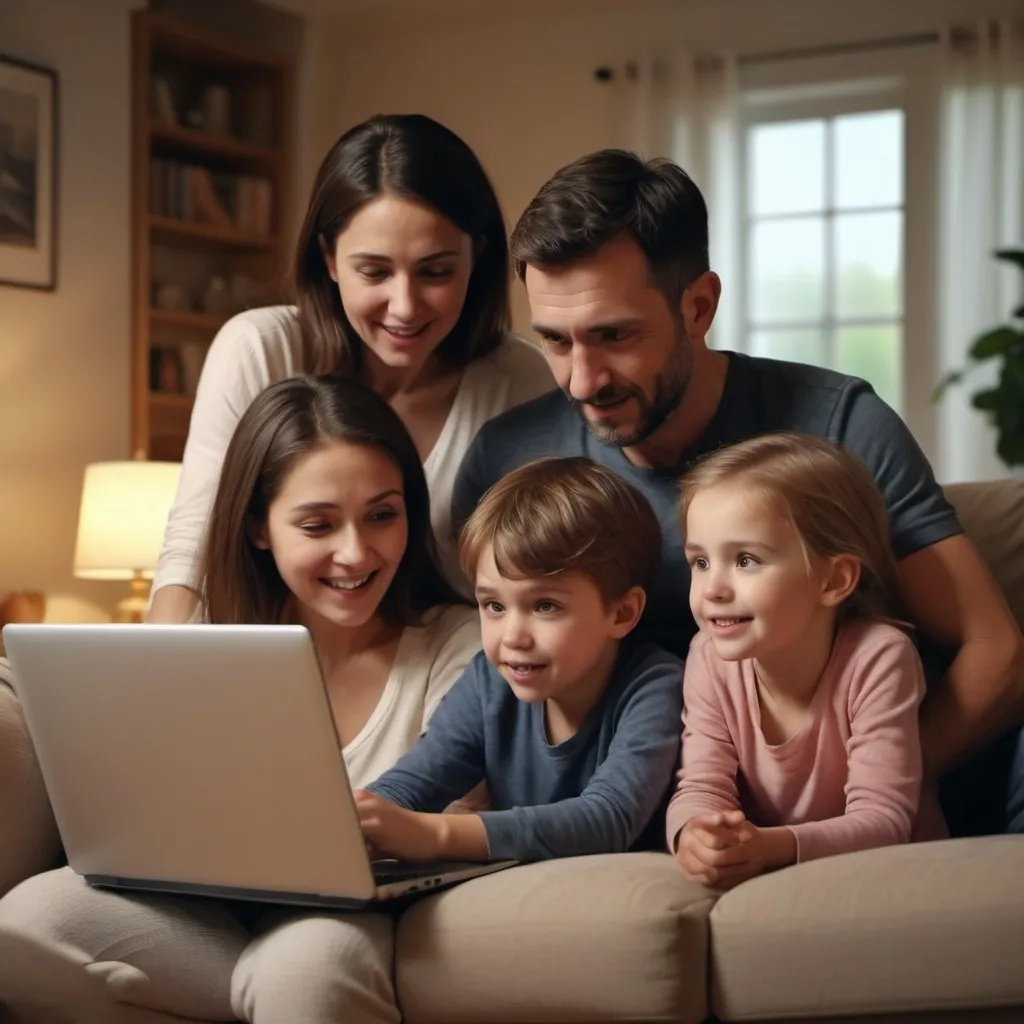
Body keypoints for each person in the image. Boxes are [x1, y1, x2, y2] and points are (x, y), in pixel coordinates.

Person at [451, 148, 1024, 836]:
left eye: (615, 336)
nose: (581, 380)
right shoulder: (510, 457)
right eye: (555, 341)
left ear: (699, 306)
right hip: (649, 807)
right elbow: (485, 688)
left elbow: (997, 652)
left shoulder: (837, 424)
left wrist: (844, 799)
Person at [0, 375, 483, 1024]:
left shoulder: (458, 643)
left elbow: (461, 815)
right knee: (26, 919)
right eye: (317, 524)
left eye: (382, 515)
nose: (356, 551)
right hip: (201, 913)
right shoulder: (202, 643)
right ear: (260, 528)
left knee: (302, 974)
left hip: (349, 917)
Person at [150, 112, 554, 624]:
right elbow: (194, 543)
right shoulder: (257, 349)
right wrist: (160, 666)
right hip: (266, 663)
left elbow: (544, 580)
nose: (404, 306)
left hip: (446, 673)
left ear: (476, 258)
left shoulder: (524, 381)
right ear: (329, 259)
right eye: (375, 271)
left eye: (435, 271)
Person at [357, 457, 684, 863]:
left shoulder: (655, 685)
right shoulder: (487, 681)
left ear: (621, 613)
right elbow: (413, 785)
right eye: (493, 605)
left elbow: (608, 819)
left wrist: (438, 834)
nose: (512, 636)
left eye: (545, 605)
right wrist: (362, 821)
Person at [668, 434, 947, 890]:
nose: (713, 588)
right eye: (699, 562)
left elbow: (884, 821)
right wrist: (696, 833)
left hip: (896, 882)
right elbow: (700, 784)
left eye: (745, 559)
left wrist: (767, 846)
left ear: (833, 580)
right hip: (773, 868)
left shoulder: (879, 657)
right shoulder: (709, 655)